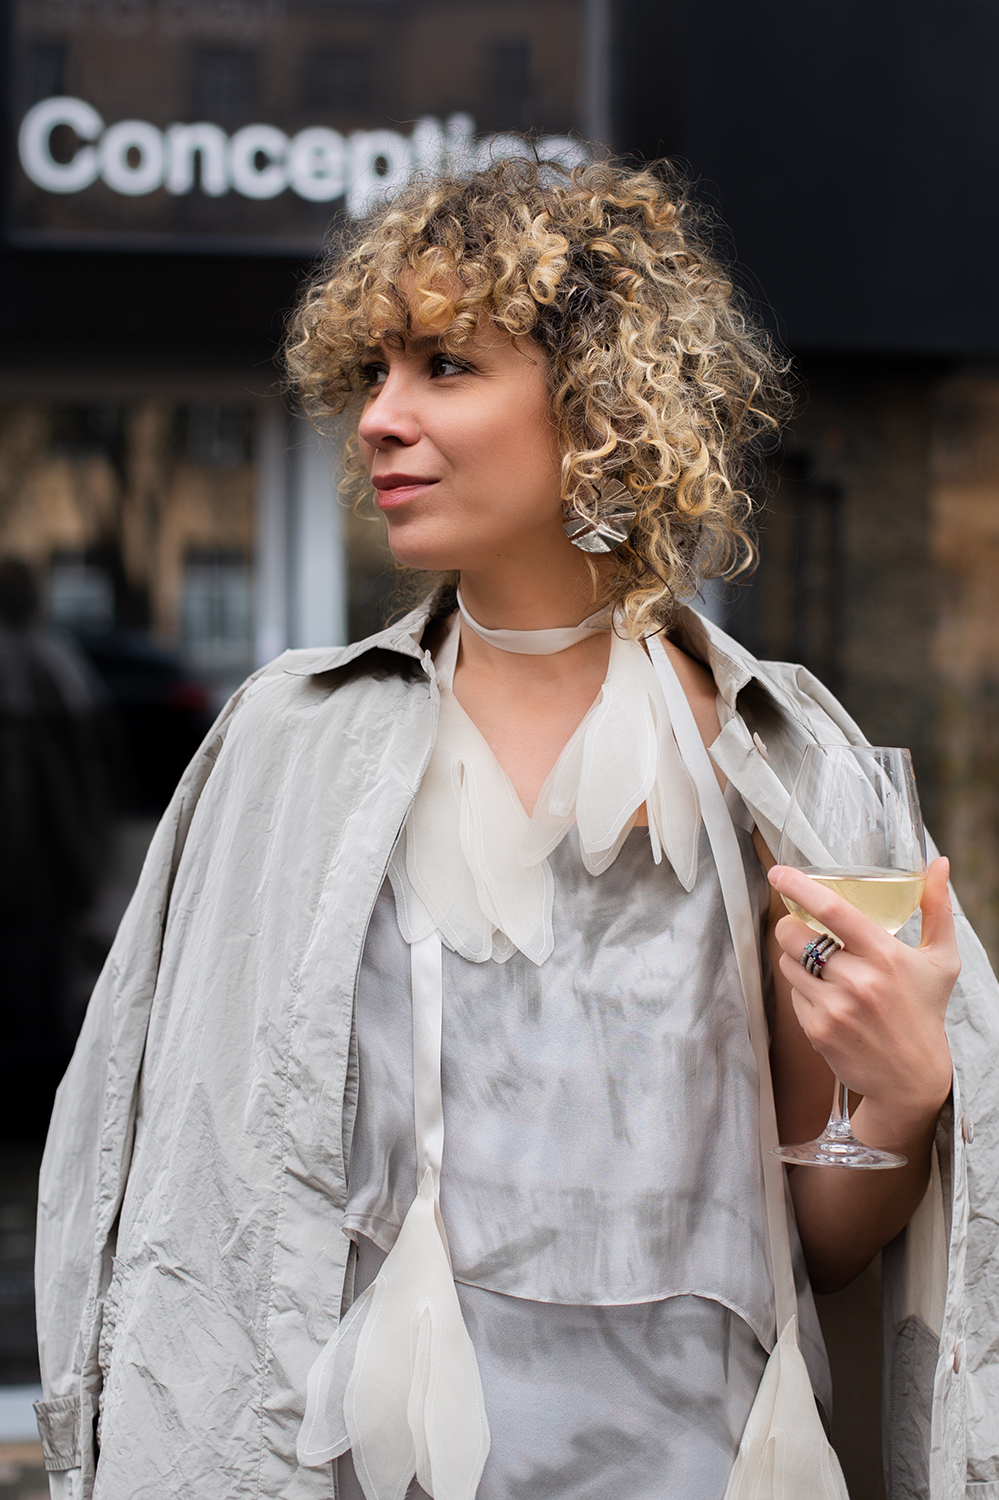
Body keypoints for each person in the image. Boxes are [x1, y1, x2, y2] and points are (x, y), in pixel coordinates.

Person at [33, 158, 998, 1500]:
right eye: (373, 372)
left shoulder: (779, 764)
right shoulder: (286, 747)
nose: (381, 418)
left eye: (445, 366)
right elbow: (176, 1188)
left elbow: (822, 1243)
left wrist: (895, 1095)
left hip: (691, 1463)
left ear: (599, 403)